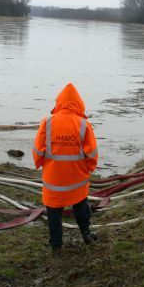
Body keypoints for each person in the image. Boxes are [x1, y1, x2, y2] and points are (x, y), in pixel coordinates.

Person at [32, 83, 99, 251]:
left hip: (53, 180)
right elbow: (92, 154)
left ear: (59, 102)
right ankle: (86, 234)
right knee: (80, 205)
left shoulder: (46, 123)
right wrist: (89, 169)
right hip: (77, 179)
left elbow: (37, 150)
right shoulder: (83, 125)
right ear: (79, 103)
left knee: (54, 212)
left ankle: (56, 245)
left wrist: (39, 164)